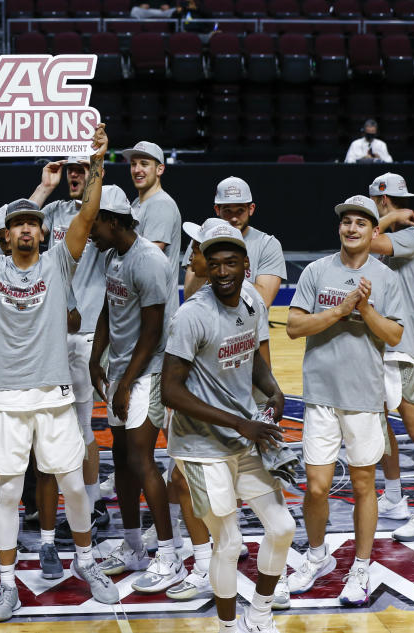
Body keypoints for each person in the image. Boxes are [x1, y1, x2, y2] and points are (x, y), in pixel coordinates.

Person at [0, 125, 120, 622]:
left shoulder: (59, 261)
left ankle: (86, 562)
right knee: (10, 492)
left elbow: (89, 213)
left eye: (34, 222)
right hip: (9, 398)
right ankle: (8, 583)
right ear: (7, 234)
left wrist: (97, 162)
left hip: (54, 394)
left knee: (74, 487)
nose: (28, 229)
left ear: (42, 231)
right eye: (19, 224)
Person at [162, 220, 294, 633]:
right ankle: (227, 626)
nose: (222, 272)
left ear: (246, 265)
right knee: (231, 541)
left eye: (230, 263)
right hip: (199, 445)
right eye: (214, 264)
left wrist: (273, 390)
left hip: (241, 438)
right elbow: (170, 391)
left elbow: (252, 354)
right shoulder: (191, 315)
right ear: (203, 265)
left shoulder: (253, 300)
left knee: (283, 527)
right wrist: (242, 422)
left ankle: (259, 614)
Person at [286, 195, 404, 606]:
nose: (351, 228)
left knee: (362, 484)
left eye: (360, 223)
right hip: (320, 395)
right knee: (316, 487)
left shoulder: (387, 279)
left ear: (374, 232)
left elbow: (393, 335)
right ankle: (317, 557)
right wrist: (340, 312)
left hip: (364, 398)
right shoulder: (317, 271)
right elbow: (293, 326)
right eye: (346, 222)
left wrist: (365, 309)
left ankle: (361, 568)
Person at [88, 184, 185, 593]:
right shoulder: (112, 256)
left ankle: (168, 554)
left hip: (147, 372)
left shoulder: (148, 260)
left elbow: (152, 331)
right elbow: (110, 312)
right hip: (122, 371)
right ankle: (132, 547)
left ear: (112, 221)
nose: (88, 230)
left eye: (94, 223)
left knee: (143, 460)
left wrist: (127, 384)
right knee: (121, 456)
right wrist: (97, 359)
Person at [27, 156, 109, 544]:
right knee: (51, 427)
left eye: (81, 169)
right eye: (69, 169)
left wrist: (97, 168)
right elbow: (10, 226)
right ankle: (74, 504)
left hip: (89, 331)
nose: (73, 175)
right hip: (53, 332)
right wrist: (45, 187)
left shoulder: (105, 204)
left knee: (81, 426)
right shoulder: (55, 211)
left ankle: (90, 506)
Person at [367, 173, 414, 542]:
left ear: (380, 201)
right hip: (378, 345)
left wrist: (392, 220)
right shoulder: (392, 232)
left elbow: (365, 239)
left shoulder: (411, 236)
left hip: (402, 349)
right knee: (379, 426)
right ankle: (394, 497)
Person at [184, 177, 286, 310]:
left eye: (240, 210)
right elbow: (190, 297)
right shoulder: (200, 239)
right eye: (227, 210)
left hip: (248, 328)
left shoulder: (268, 245)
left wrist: (216, 272)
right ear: (217, 209)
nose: (233, 218)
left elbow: (263, 301)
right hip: (207, 323)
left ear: (251, 209)